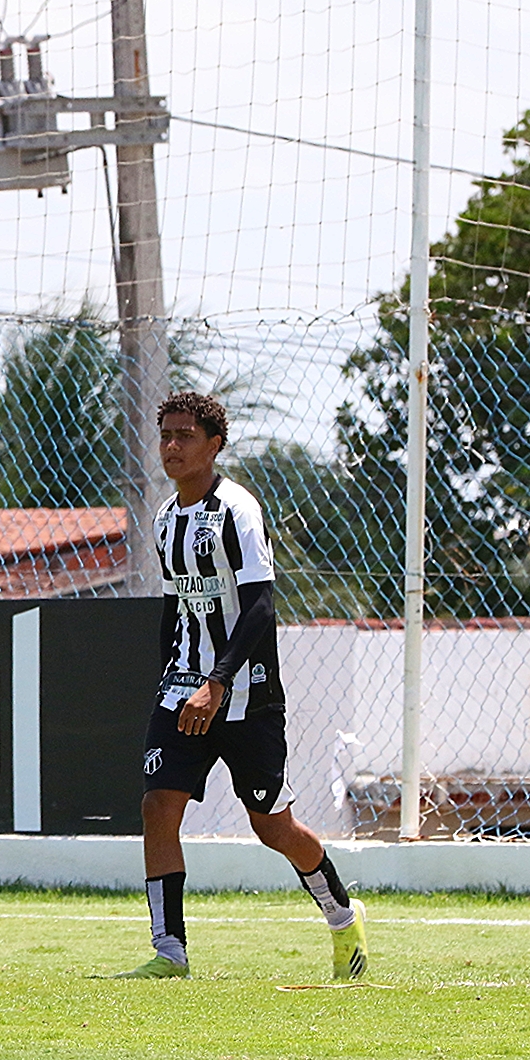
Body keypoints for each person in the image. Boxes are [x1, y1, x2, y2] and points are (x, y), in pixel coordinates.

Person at [115, 391, 368, 980]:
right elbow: (176, 608)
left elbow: (259, 609)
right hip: (184, 688)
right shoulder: (164, 518)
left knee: (270, 824)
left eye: (185, 436)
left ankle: (342, 917)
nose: (172, 446)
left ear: (215, 445)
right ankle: (169, 951)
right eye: (166, 435)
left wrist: (219, 682)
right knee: (158, 806)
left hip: (246, 692)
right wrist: (173, 681)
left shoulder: (239, 511)